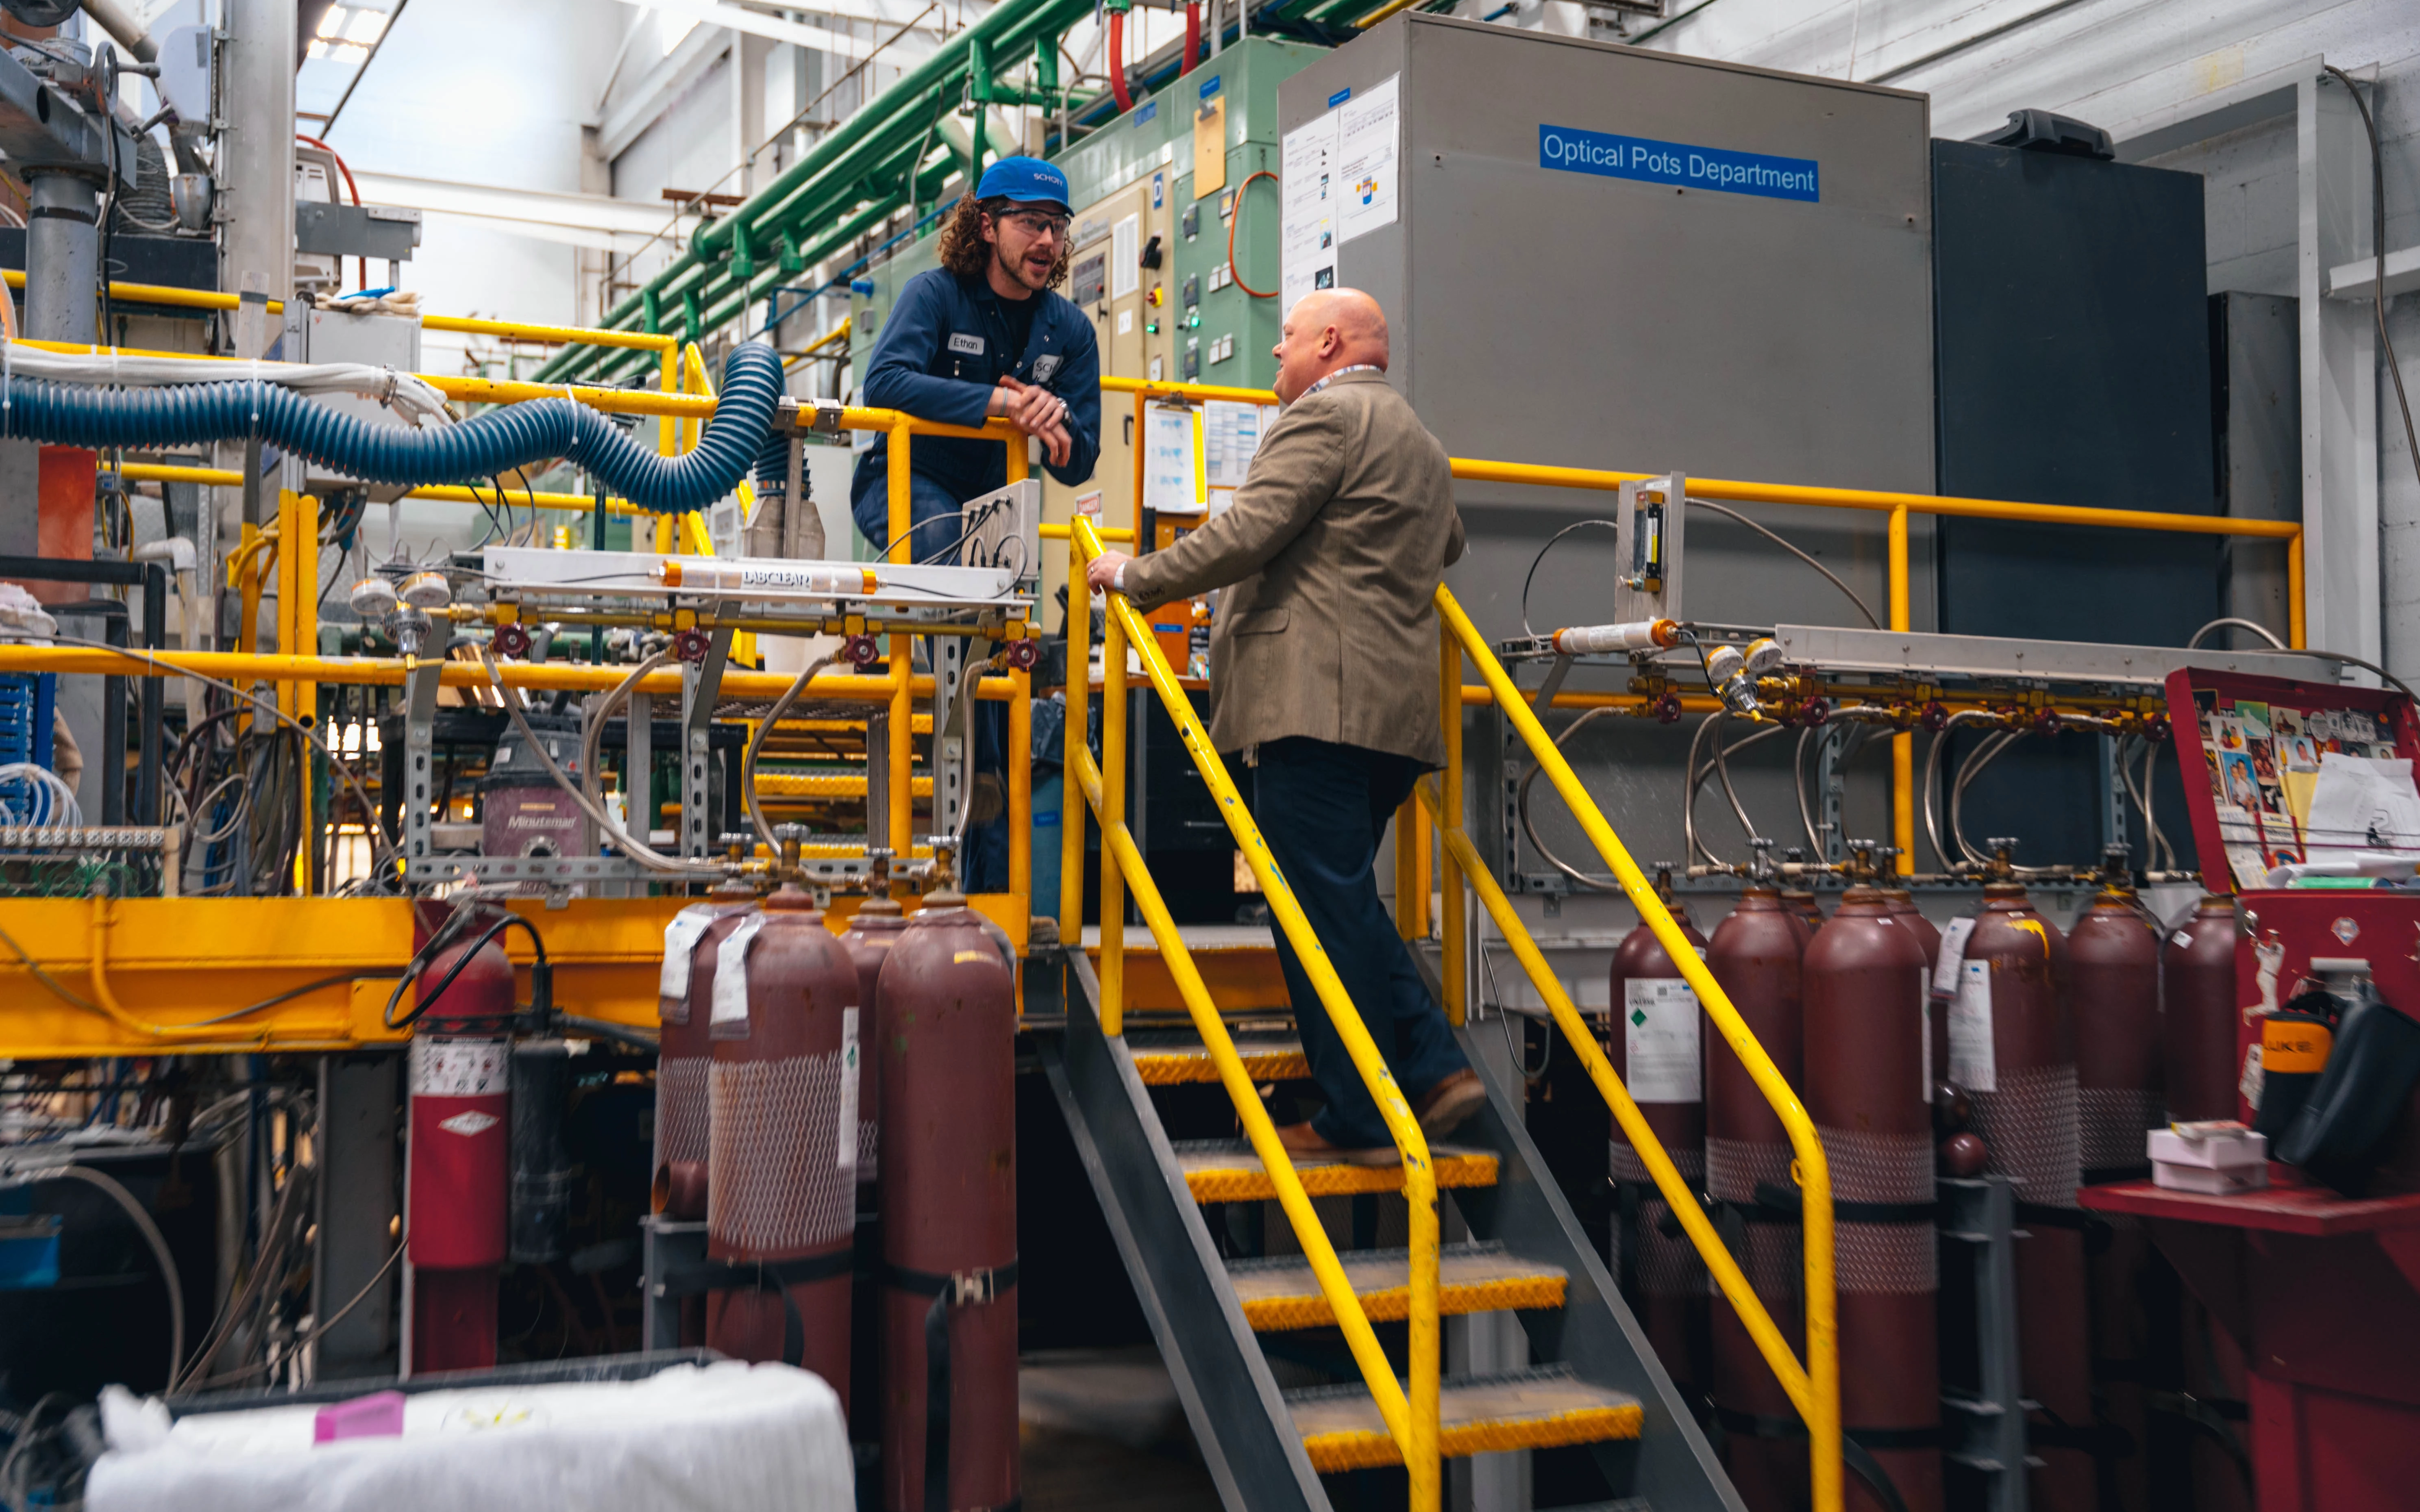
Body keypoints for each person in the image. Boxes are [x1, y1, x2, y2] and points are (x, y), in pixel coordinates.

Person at [1084, 289, 1484, 1164]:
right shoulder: (1419, 440)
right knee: (1338, 899)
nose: (1275, 357)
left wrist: (1136, 575)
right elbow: (1447, 544)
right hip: (1395, 716)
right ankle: (1430, 1068)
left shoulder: (1323, 419)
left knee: (1320, 909)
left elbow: (1248, 533)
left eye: (1287, 340)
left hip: (1314, 707)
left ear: (1331, 343)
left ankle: (1366, 1115)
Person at [851, 156, 1101, 890]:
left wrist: (1058, 424)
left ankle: (988, 875)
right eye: (1031, 224)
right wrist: (1001, 404)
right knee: (968, 600)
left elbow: (1079, 461)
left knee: (993, 653)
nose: (1048, 242)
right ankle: (965, 790)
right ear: (987, 226)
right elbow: (887, 381)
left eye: (1057, 227)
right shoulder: (936, 295)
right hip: (907, 490)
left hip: (1000, 514)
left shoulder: (1069, 330)